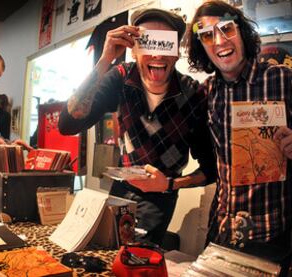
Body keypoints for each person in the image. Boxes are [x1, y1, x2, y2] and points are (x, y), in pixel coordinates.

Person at [59, 8, 217, 245]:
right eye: (148, 42)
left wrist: (170, 184)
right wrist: (104, 61)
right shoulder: (121, 77)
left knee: (139, 256)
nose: (157, 55)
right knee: (108, 249)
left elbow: (211, 168)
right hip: (120, 188)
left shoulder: (194, 94)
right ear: (134, 49)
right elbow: (69, 124)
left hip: (161, 196)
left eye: (164, 44)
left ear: (176, 52)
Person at [186, 0, 292, 274]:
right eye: (206, 35)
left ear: (241, 33)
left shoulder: (280, 79)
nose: (218, 41)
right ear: (202, 46)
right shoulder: (208, 92)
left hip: (270, 234)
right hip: (222, 230)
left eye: (226, 29)